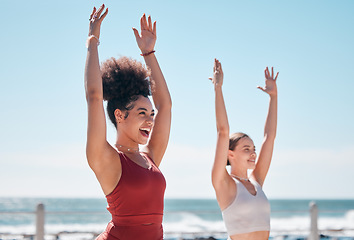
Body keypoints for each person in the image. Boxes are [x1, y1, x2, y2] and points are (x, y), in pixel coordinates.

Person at [84, 5, 171, 240]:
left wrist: (148, 54)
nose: (150, 120)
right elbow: (94, 98)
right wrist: (93, 41)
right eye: (142, 113)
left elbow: (166, 106)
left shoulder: (150, 156)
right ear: (120, 115)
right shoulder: (106, 158)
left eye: (151, 114)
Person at [209, 59, 278, 240]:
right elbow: (223, 132)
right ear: (229, 154)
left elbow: (269, 137)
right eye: (246, 149)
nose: (253, 153)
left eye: (253, 149)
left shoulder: (256, 180)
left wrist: (273, 97)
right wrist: (218, 89)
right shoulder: (224, 183)